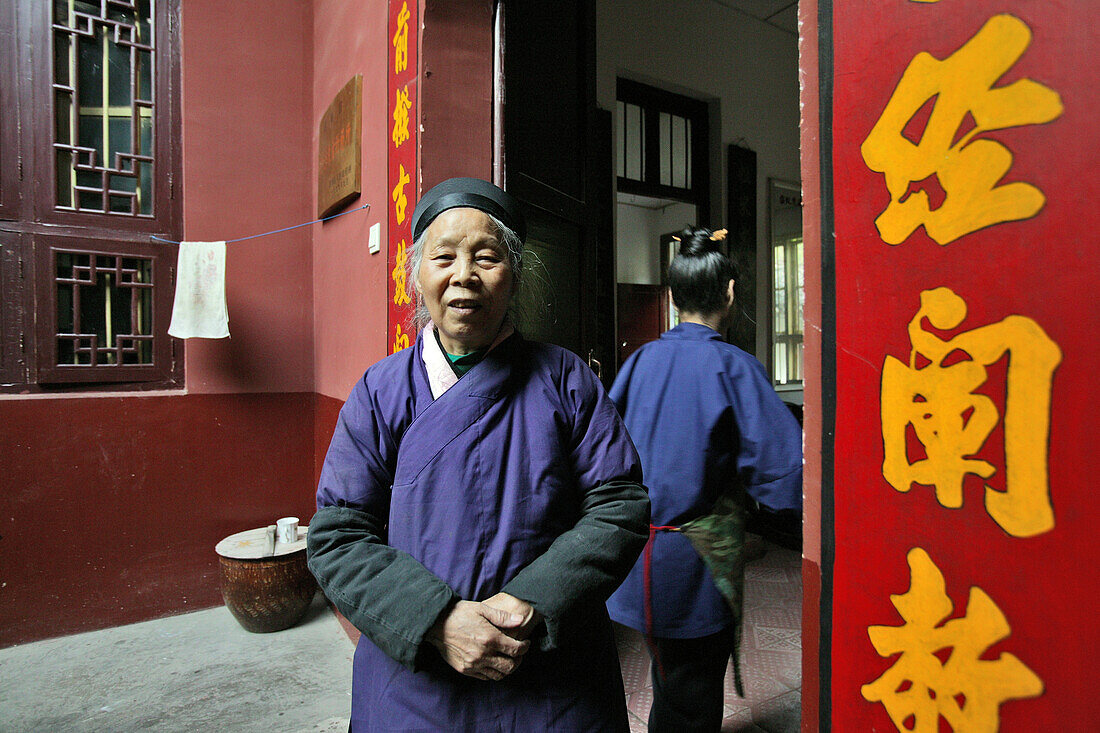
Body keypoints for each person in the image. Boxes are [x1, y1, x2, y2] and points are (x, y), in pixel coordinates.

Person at [307, 177, 650, 732]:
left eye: (486, 257)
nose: (463, 274)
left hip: (552, 683)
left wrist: (533, 600)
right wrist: (437, 620)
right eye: (443, 257)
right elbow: (338, 534)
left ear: (513, 276)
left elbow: (620, 505)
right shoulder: (380, 392)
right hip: (418, 685)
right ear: (417, 275)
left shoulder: (565, 381)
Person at [605, 226, 803, 732]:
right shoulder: (733, 367)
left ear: (672, 297)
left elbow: (606, 451)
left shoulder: (640, 360)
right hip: (697, 565)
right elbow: (781, 479)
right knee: (692, 694)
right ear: (730, 292)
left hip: (638, 557)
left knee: (668, 674)